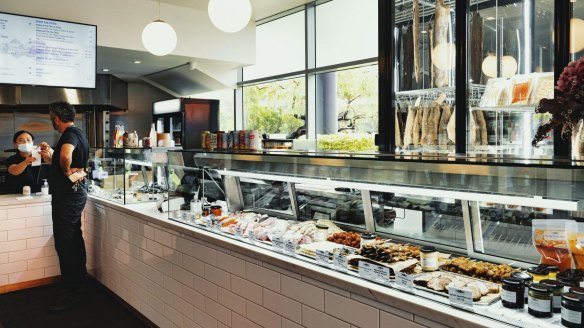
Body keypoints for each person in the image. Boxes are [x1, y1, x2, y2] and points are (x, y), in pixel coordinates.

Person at [39, 101, 89, 312]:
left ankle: (70, 291)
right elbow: (63, 158)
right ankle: (78, 281)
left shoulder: (68, 135)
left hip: (68, 197)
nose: (52, 120)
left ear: (56, 118)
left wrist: (66, 170)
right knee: (73, 237)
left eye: (52, 117)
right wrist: (52, 159)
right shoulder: (78, 133)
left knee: (65, 242)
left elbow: (66, 156)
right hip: (73, 196)